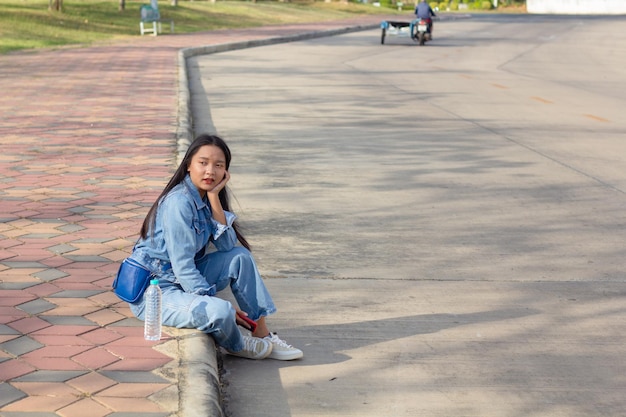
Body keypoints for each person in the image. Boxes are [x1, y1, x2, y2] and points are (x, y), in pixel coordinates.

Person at [127, 134, 303, 361]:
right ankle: (238, 345)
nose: (210, 171)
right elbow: (183, 267)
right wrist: (215, 300)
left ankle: (262, 332)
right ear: (189, 165)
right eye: (203, 163)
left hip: (181, 281)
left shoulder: (204, 197)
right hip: (157, 292)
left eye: (218, 165)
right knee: (220, 312)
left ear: (225, 173)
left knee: (240, 257)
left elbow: (227, 244)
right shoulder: (179, 202)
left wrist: (214, 198)